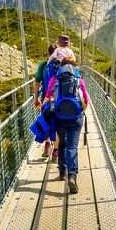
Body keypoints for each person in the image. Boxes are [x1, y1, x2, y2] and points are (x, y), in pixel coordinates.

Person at [44, 58, 89, 194]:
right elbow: (86, 99)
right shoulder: (78, 79)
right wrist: (81, 112)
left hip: (59, 117)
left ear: (61, 67)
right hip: (76, 118)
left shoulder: (54, 80)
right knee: (72, 146)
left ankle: (62, 171)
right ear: (74, 67)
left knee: (62, 143)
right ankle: (72, 176)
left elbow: (47, 97)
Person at [34, 44, 56, 158]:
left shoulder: (43, 65)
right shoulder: (60, 64)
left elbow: (37, 82)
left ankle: (47, 145)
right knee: (57, 121)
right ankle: (56, 149)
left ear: (48, 53)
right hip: (58, 99)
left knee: (45, 119)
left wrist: (36, 98)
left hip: (45, 98)